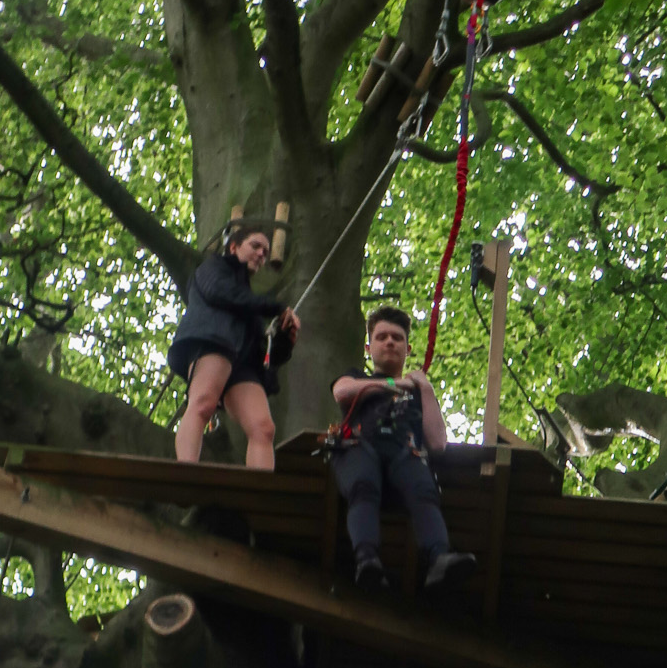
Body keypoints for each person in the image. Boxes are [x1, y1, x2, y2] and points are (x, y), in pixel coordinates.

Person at [330, 307, 476, 593]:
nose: (389, 342)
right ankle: (366, 559)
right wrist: (396, 384)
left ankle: (439, 557)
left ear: (408, 349)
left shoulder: (418, 393)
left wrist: (425, 388)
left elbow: (437, 443)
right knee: (363, 483)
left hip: (403, 454)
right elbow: (341, 392)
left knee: (423, 489)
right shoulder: (356, 378)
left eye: (397, 338)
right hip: (360, 448)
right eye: (381, 337)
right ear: (368, 348)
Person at [169, 220, 300, 468]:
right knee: (203, 402)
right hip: (213, 339)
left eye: (265, 251)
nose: (261, 254)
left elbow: (262, 353)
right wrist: (275, 307)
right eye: (255, 246)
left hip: (240, 363)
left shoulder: (247, 302)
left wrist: (285, 338)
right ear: (233, 247)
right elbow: (220, 293)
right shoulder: (213, 268)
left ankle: (259, 489)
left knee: (263, 427)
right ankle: (185, 472)